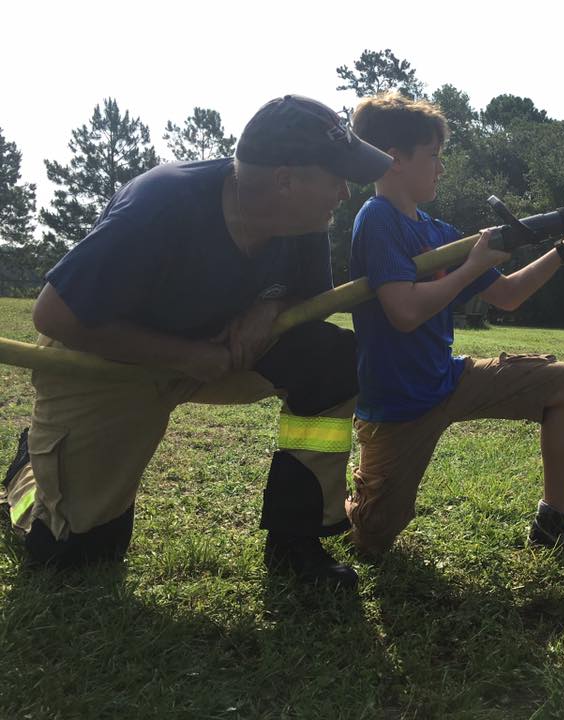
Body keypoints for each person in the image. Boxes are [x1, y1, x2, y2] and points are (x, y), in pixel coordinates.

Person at [0, 95, 393, 589]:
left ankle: (296, 542)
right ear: (285, 180)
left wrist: (267, 305)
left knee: (329, 360)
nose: (343, 192)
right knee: (74, 556)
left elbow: (310, 296)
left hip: (218, 354)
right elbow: (55, 314)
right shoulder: (162, 202)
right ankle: (27, 474)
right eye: (336, 176)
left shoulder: (302, 220)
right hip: (105, 360)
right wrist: (186, 356)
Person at [345, 93, 564, 562]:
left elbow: (509, 295)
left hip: (449, 380)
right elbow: (405, 312)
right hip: (396, 407)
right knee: (372, 540)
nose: (441, 168)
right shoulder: (376, 220)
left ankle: (555, 520)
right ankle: (341, 502)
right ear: (395, 159)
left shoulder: (440, 232)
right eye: (433, 157)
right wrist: (471, 267)